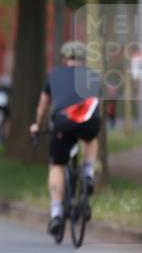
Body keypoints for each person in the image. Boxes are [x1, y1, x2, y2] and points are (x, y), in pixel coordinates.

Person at [29, 41, 101, 238]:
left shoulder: (54, 74)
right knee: (91, 138)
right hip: (89, 120)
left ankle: (56, 214)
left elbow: (44, 103)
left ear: (64, 58)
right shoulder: (93, 75)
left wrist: (37, 124)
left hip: (64, 122)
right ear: (83, 60)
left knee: (58, 166)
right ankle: (88, 172)